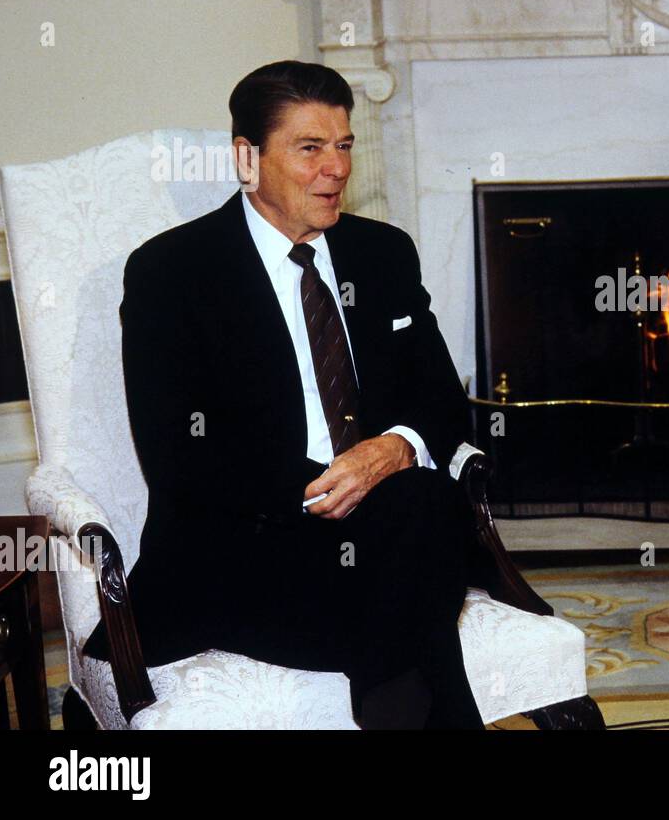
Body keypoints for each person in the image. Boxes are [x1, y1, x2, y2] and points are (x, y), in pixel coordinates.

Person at [84, 60, 487, 729]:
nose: (336, 169)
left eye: (345, 146)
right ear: (248, 158)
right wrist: (328, 490)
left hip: (389, 531)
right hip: (246, 556)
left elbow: (444, 403)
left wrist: (387, 451)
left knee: (416, 504)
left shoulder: (381, 255)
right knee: (420, 553)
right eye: (310, 148)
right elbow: (180, 457)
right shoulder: (173, 273)